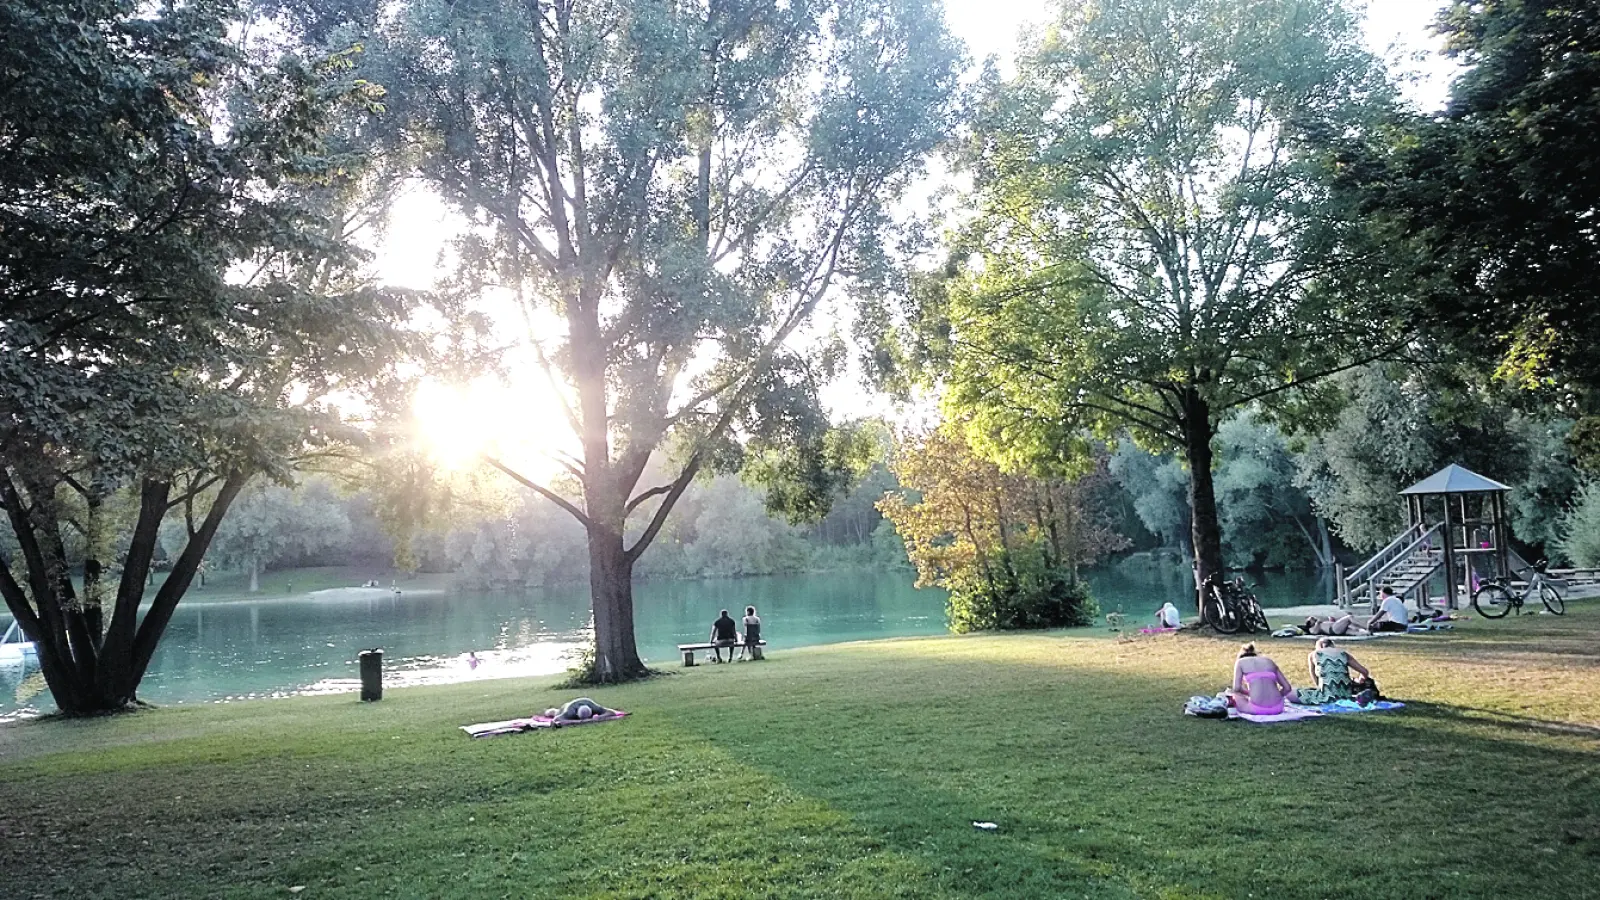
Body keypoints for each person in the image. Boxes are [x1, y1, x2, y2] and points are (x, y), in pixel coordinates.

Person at [1295, 638, 1375, 705]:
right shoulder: (1343, 653)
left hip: (1327, 695)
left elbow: (1314, 676)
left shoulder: (1314, 654)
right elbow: (1364, 671)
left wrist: (1319, 688)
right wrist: (1361, 679)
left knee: (1291, 693)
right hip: (1345, 694)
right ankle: (1357, 698)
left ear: (1320, 646)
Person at [1228, 643, 1297, 715]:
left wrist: (1249, 694)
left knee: (1234, 695)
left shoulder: (1240, 662)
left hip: (1257, 708)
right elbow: (1287, 688)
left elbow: (1236, 688)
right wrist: (1278, 696)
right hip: (1278, 708)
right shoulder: (1268, 661)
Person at [544, 697, 612, 721]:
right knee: (553, 712)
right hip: (565, 707)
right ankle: (547, 710)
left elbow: (611, 712)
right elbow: (556, 719)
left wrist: (600, 717)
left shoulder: (593, 706)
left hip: (580, 702)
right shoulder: (569, 711)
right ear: (576, 714)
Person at [1302, 613, 1367, 636]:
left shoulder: (1318, 624)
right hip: (1333, 629)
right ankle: (1365, 627)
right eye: (1312, 619)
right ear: (1310, 623)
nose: (1314, 618)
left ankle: (1366, 632)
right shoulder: (1312, 629)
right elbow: (1315, 632)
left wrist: (1331, 620)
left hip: (1335, 627)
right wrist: (1317, 623)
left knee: (1355, 632)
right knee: (1349, 617)